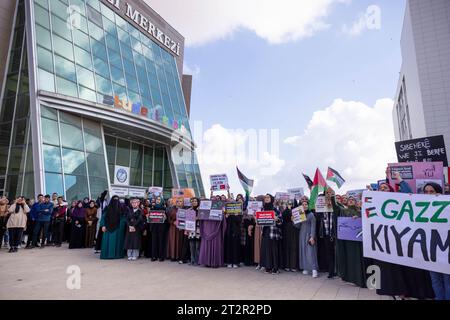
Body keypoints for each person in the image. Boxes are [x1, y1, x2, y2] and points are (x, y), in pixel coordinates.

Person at [374, 172, 435, 300]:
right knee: (392, 270)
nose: (383, 189)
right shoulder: (375, 203)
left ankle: (408, 292)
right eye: (381, 188)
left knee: (405, 268)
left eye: (386, 187)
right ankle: (397, 291)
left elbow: (408, 194)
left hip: (404, 240)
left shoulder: (398, 200)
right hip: (387, 242)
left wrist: (399, 179)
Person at [421, 182, 449, 300]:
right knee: (436, 281)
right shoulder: (420, 208)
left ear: (439, 192)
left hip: (446, 251)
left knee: (447, 281)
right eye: (426, 192)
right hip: (431, 252)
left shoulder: (447, 206)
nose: (428, 194)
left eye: (431, 191)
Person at [332, 194, 366, 287]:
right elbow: (335, 207)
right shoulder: (343, 211)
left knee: (358, 260)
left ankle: (359, 279)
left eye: (353, 199)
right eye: (349, 199)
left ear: (356, 202)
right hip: (347, 242)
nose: (351, 200)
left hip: (358, 241)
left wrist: (359, 217)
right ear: (346, 202)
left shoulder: (361, 211)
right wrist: (332, 196)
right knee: (349, 259)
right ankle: (350, 278)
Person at [198, 191, 227, 268]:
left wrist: (223, 213)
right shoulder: (204, 209)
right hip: (206, 229)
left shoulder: (220, 209)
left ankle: (215, 262)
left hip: (216, 230)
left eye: (214, 200)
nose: (212, 201)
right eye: (211, 199)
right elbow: (200, 218)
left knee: (215, 245)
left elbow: (223, 220)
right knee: (206, 245)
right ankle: (206, 262)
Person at [294, 200, 318, 278]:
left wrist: (312, 236)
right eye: (303, 205)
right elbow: (298, 226)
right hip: (302, 235)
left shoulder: (311, 214)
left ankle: (314, 269)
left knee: (311, 252)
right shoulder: (300, 214)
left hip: (309, 235)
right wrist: (294, 220)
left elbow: (313, 226)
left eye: (306, 204)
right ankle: (306, 268)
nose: (304, 206)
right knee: (303, 251)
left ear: (308, 205)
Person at [316, 188, 337, 278]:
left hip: (335, 234)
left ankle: (337, 271)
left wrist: (331, 205)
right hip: (326, 233)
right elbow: (317, 217)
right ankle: (331, 272)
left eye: (330, 193)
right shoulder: (321, 207)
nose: (328, 194)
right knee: (329, 253)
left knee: (336, 253)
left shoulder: (336, 206)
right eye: (327, 193)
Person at [260, 194, 282, 274]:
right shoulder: (262, 209)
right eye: (265, 197)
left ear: (271, 199)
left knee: (274, 250)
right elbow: (260, 221)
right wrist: (256, 219)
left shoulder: (275, 209)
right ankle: (268, 267)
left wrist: (277, 219)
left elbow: (281, 220)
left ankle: (275, 268)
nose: (266, 198)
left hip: (273, 231)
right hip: (265, 231)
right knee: (267, 250)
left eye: (268, 197)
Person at [224, 193, 243, 268]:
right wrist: (226, 216)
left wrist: (235, 215)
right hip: (228, 230)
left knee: (235, 247)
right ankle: (229, 262)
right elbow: (225, 221)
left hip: (236, 231)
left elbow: (239, 221)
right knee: (229, 246)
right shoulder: (227, 211)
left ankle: (235, 262)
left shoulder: (239, 211)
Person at [281, 201, 299, 272]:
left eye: (291, 203)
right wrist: (288, 209)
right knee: (287, 246)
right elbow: (284, 217)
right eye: (289, 203)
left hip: (294, 229)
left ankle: (293, 265)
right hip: (286, 229)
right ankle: (287, 265)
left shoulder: (297, 209)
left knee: (293, 247)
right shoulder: (285, 211)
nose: (290, 205)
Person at [148, 196, 168, 261]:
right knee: (154, 242)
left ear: (162, 201)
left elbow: (166, 219)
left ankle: (161, 256)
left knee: (161, 242)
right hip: (154, 227)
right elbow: (150, 218)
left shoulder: (164, 208)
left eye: (159, 199)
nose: (158, 200)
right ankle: (154, 256)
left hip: (161, 228)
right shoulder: (152, 208)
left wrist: (165, 217)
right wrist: (148, 217)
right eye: (157, 199)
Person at [187, 197, 201, 265]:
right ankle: (192, 260)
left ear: (198, 202)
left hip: (198, 230)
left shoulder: (201, 210)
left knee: (197, 246)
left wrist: (198, 218)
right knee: (191, 246)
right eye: (193, 201)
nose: (194, 202)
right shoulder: (189, 210)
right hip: (191, 230)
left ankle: (197, 261)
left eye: (195, 201)